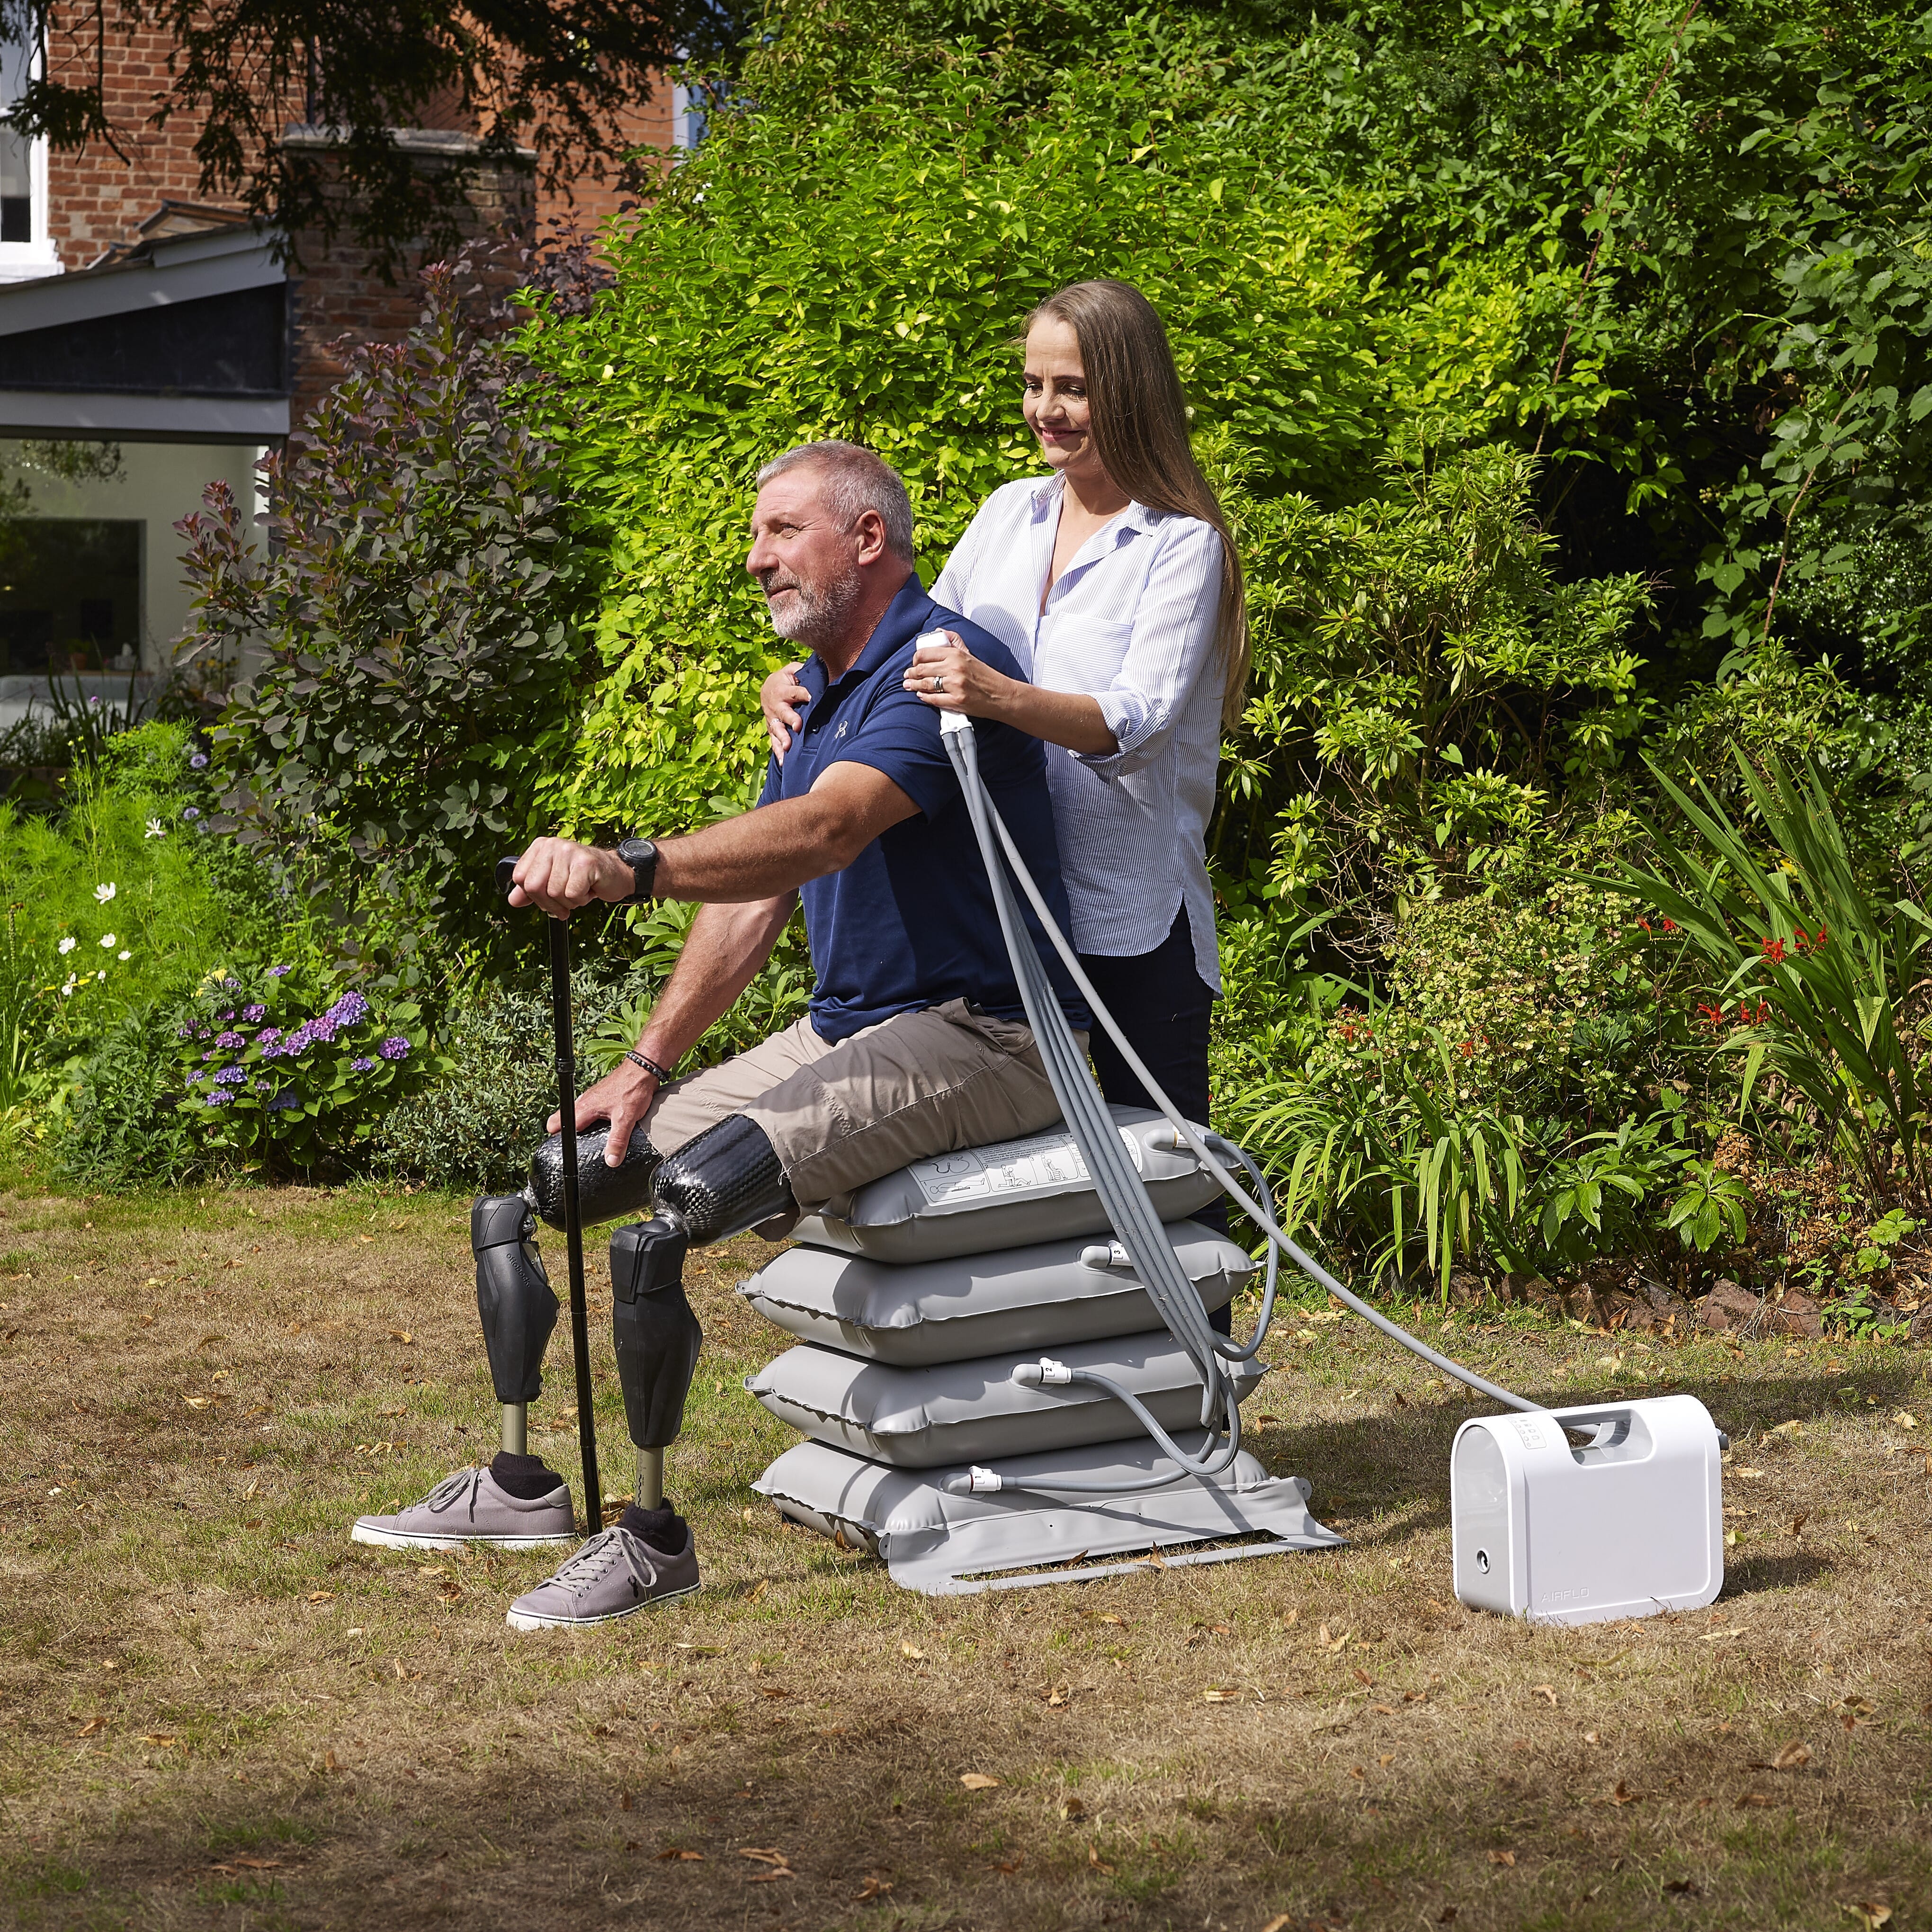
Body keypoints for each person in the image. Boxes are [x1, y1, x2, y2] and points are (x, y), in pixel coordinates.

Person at [350, 440, 1088, 1629]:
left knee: (682, 1204)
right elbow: (757, 901)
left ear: (867, 539)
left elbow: (828, 835)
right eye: (756, 536)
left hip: (989, 1037)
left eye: (782, 532)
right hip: (850, 1029)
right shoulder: (813, 694)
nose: (756, 560)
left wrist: (628, 867)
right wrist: (644, 1068)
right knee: (561, 1180)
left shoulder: (934, 668)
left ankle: (650, 1540)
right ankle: (522, 1481)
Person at [762, 279, 1248, 1306]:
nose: (1046, 410)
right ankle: (1076, 1402)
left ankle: (1200, 1408)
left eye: (1071, 387)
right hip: (1008, 912)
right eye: (1034, 385)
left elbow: (1134, 721)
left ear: (1128, 390)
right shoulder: (1007, 513)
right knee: (1043, 1196)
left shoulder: (1180, 545)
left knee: (1160, 1184)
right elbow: (909, 636)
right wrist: (806, 675)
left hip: (1125, 920)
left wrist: (998, 693)